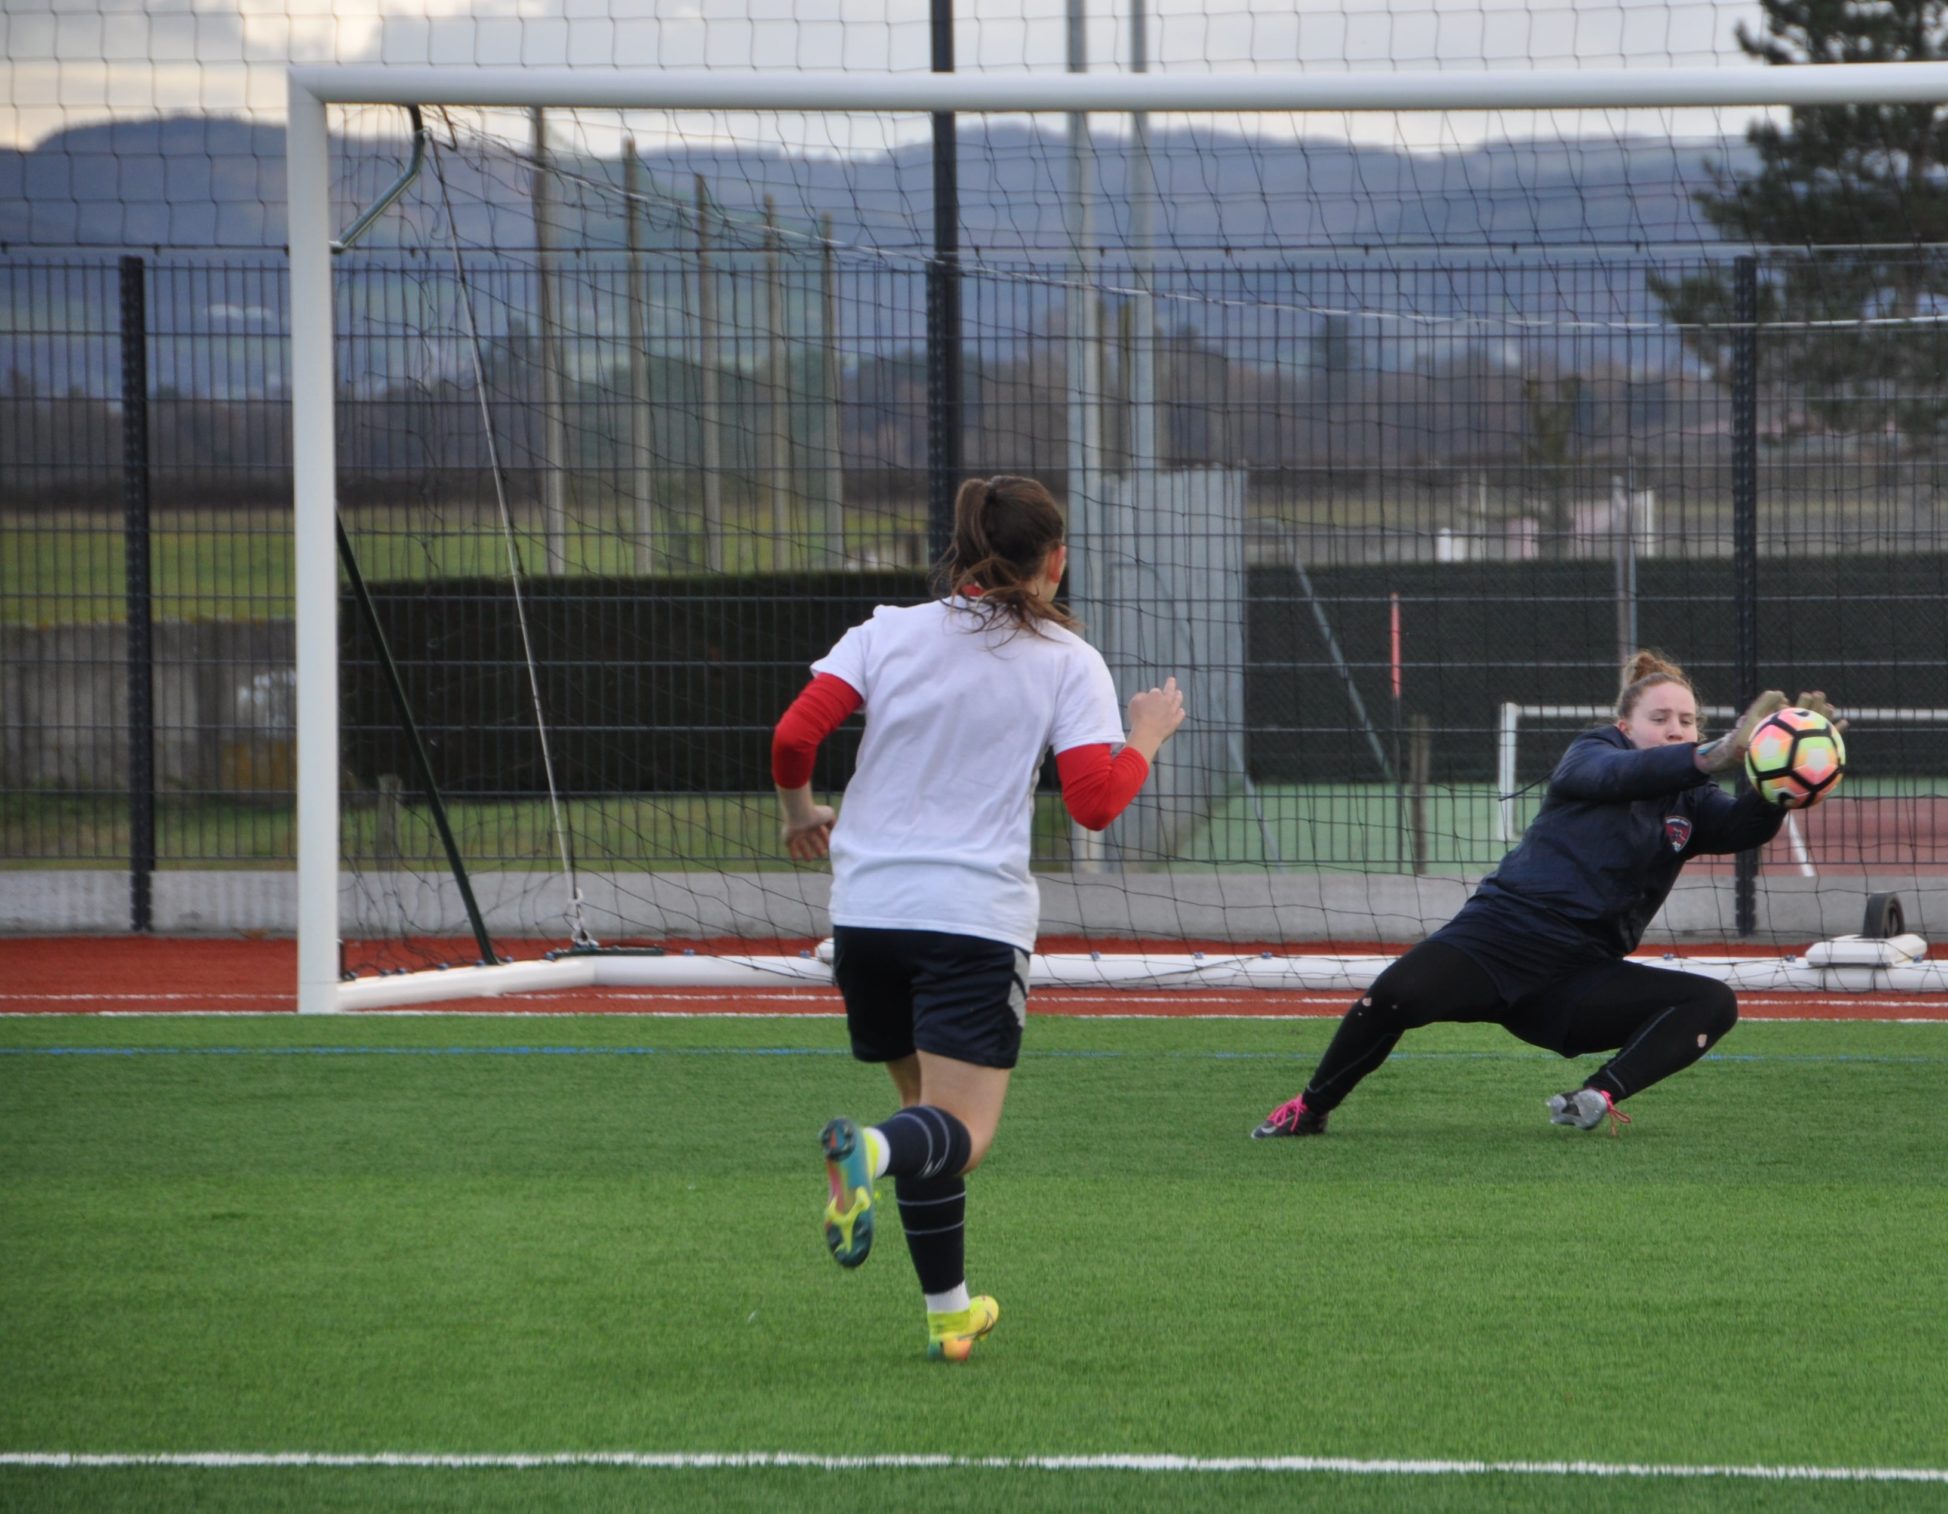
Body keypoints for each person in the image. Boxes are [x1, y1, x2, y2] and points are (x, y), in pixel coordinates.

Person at [771, 475, 1186, 1360]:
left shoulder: (885, 632)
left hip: (867, 918)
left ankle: (949, 1312)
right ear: (1056, 563)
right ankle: (866, 1158)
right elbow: (1096, 804)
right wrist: (1147, 732)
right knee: (959, 1135)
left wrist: (800, 811)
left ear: (958, 553)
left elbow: (792, 738)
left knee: (930, 1116)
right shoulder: (1068, 660)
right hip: (969, 922)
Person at [1251, 652, 1839, 1140]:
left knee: (1713, 1003)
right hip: (1499, 939)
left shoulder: (1689, 799)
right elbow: (1622, 778)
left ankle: (1596, 1095)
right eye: (1661, 718)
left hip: (1578, 977)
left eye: (1687, 721)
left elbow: (1742, 827)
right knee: (1396, 995)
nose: (1677, 729)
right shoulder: (1590, 754)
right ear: (1624, 726)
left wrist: (1782, 778)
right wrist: (1719, 752)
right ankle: (1311, 1107)